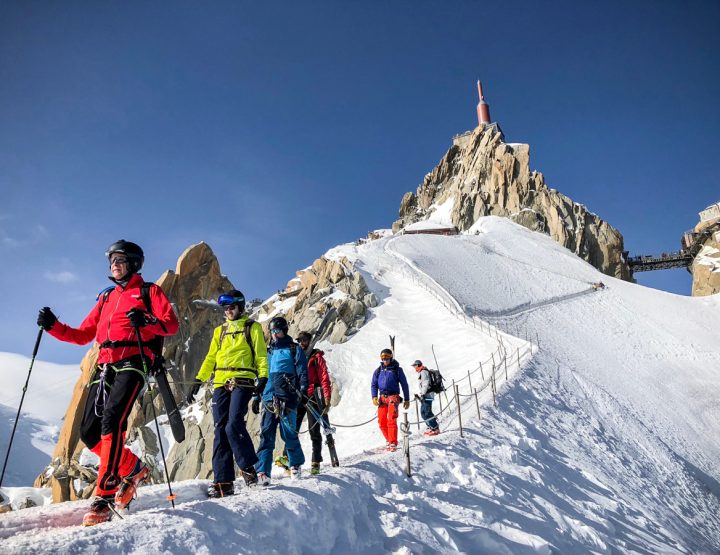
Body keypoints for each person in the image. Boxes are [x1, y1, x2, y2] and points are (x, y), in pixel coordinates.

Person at [37, 240, 179, 526]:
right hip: (105, 368)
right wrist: (53, 326)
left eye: (121, 260)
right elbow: (82, 335)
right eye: (112, 260)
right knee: (89, 432)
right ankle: (133, 468)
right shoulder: (106, 298)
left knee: (112, 420)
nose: (114, 264)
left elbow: (170, 324)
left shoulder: (148, 291)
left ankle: (104, 495)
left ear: (135, 264)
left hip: (134, 362)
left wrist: (147, 320)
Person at [186, 289, 268, 497]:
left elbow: (260, 355)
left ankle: (248, 466)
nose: (228, 311)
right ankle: (223, 481)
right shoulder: (220, 331)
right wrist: (198, 380)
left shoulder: (252, 327)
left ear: (240, 307)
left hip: (243, 380)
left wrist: (263, 378)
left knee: (234, 424)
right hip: (221, 382)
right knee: (220, 429)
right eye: (225, 308)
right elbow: (211, 358)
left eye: (232, 307)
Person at [253, 316, 308, 485]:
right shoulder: (268, 351)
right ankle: (263, 471)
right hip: (269, 397)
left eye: (277, 331)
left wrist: (303, 389)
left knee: (289, 433)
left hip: (288, 396)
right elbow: (262, 374)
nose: (275, 334)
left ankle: (295, 465)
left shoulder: (294, 349)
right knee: (266, 434)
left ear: (284, 330)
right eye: (272, 331)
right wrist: (256, 396)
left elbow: (302, 371)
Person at [277, 331, 332, 475]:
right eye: (300, 340)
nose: (302, 343)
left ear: (309, 340)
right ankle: (287, 458)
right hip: (298, 395)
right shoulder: (296, 355)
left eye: (304, 340)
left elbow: (324, 377)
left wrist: (327, 397)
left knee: (314, 430)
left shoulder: (316, 357)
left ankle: (316, 461)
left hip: (312, 395)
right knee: (292, 428)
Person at [370, 348, 410, 452]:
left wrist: (407, 399)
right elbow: (374, 384)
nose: (385, 360)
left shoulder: (397, 370)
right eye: (383, 358)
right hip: (382, 398)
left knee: (391, 420)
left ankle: (393, 442)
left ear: (391, 357)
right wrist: (374, 396)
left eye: (387, 357)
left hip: (393, 397)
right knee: (381, 420)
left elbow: (404, 384)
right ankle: (388, 439)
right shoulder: (378, 370)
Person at [411, 360, 440, 436]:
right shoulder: (422, 371)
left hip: (428, 395)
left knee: (426, 412)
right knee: (423, 412)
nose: (414, 367)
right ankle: (430, 426)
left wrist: (423, 393)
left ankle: (435, 428)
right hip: (426, 395)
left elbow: (426, 383)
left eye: (415, 366)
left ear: (418, 365)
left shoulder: (423, 372)